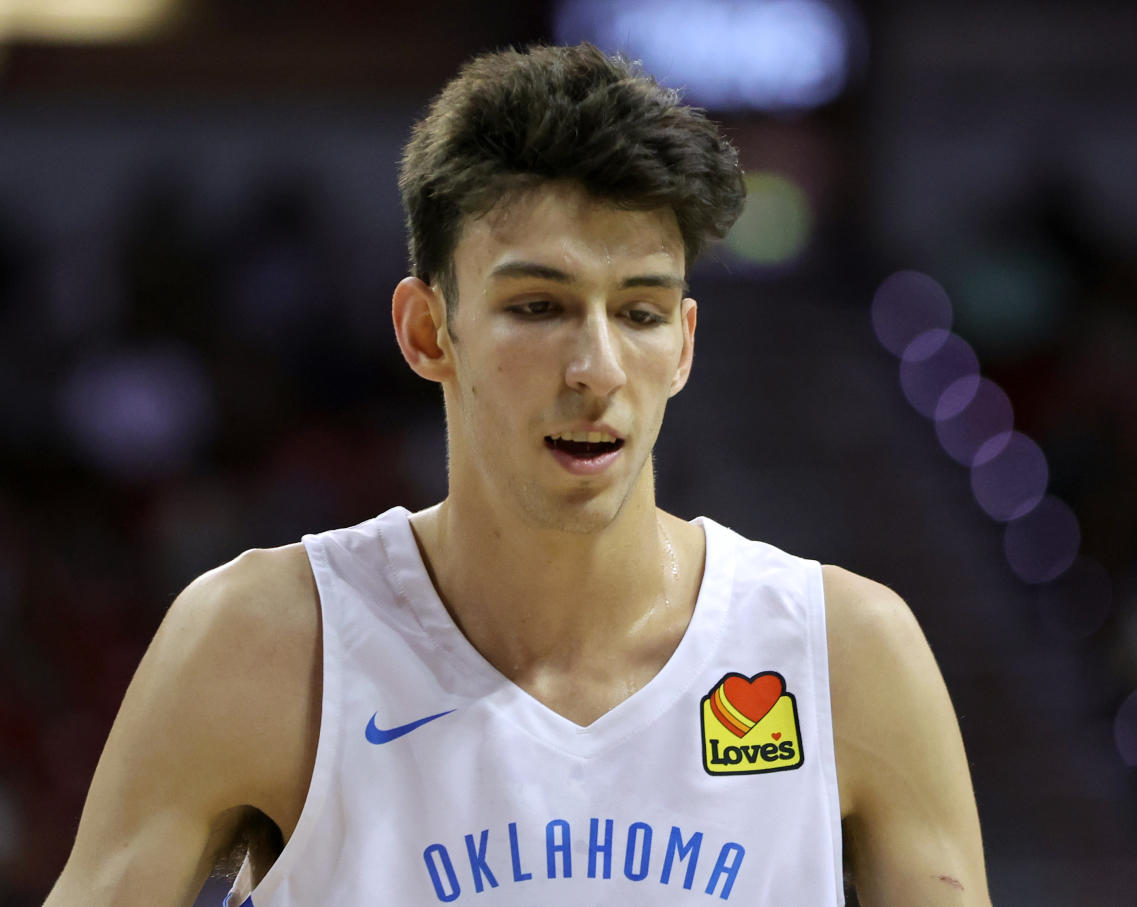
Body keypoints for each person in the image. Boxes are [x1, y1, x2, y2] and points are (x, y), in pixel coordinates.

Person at [44, 43, 990, 906]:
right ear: (427, 331)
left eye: (641, 312)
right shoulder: (263, 640)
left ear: (685, 346)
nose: (597, 368)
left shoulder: (843, 653)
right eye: (539, 305)